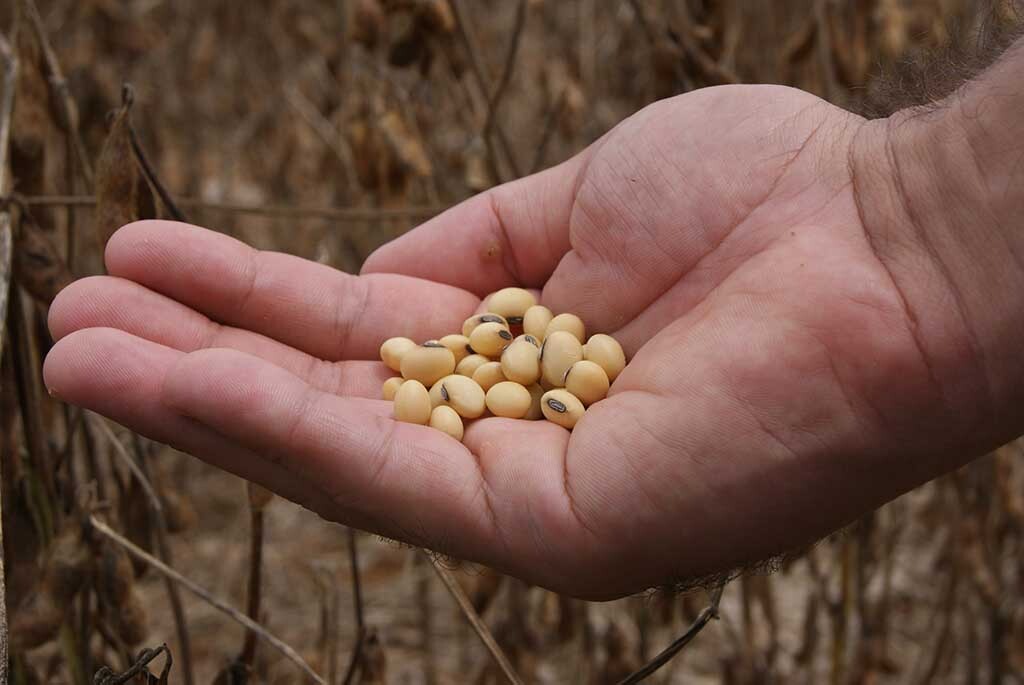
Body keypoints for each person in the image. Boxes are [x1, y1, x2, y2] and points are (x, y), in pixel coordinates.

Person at [43, 35, 1023, 601]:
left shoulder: (529, 355)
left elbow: (519, 361)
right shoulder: (510, 356)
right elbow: (501, 361)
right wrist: (910, 206)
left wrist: (912, 213)